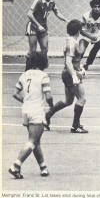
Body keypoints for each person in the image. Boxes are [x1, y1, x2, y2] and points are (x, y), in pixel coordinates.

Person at [9, 51, 53, 179]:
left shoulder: (24, 75)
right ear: (42, 62)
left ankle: (43, 167)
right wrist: (51, 105)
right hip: (37, 111)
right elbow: (48, 95)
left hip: (26, 110)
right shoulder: (43, 76)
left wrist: (26, 101)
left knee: (35, 140)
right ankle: (16, 165)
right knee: (32, 141)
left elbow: (15, 94)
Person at [45, 19, 93, 133]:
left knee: (68, 101)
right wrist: (74, 76)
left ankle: (47, 116)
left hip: (69, 73)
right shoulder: (71, 43)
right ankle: (75, 126)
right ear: (78, 31)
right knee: (82, 99)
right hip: (70, 74)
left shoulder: (71, 40)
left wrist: (80, 68)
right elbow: (68, 61)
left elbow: (74, 60)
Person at [25, 0, 68, 71]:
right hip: (33, 26)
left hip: (43, 27)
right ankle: (27, 69)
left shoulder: (52, 2)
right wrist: (38, 25)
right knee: (32, 51)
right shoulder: (38, 0)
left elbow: (57, 12)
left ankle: (40, 69)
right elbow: (29, 14)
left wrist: (66, 20)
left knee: (45, 49)